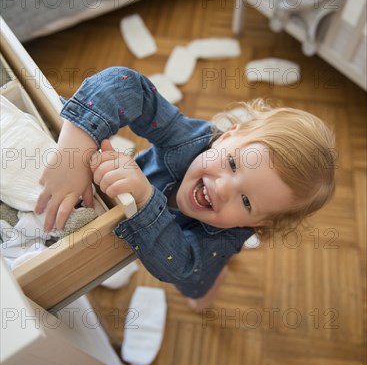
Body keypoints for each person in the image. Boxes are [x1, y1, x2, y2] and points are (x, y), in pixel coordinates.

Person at [35, 67, 336, 310]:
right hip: (142, 219)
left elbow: (181, 266)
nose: (222, 189)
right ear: (228, 135)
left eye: (246, 201)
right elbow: (127, 85)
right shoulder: (190, 138)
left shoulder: (224, 238)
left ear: (257, 223)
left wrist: (143, 198)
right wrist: (73, 149)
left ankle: (211, 290)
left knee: (197, 292)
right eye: (232, 164)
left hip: (195, 257)